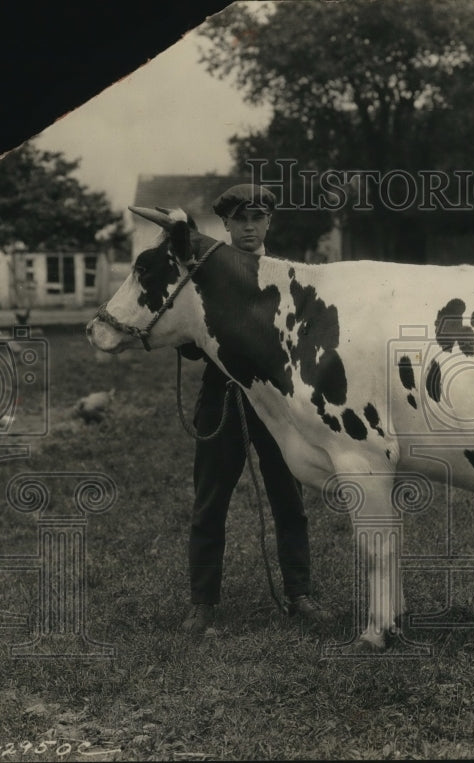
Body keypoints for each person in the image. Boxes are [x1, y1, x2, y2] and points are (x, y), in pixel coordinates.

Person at [180, 183, 329, 635]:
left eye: (257, 218)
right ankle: (203, 603)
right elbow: (189, 346)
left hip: (276, 401)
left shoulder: (288, 274)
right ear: (224, 223)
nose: (249, 226)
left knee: (290, 497)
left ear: (269, 222)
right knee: (210, 501)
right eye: (240, 219)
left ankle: (299, 594)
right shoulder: (203, 272)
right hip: (223, 398)